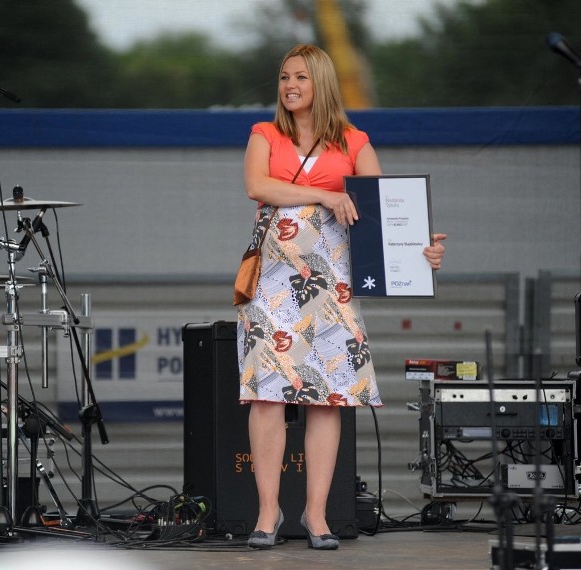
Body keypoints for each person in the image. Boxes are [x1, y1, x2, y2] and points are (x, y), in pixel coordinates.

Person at [236, 44, 447, 550]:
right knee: (267, 398)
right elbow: (257, 186)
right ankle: (268, 515)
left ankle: (317, 515)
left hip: (334, 286)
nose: (289, 85)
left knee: (327, 401)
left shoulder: (355, 141)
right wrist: (325, 194)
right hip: (273, 285)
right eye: (284, 77)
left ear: (322, 83)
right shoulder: (265, 135)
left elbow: (382, 214)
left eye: (301, 78)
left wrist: (422, 251)